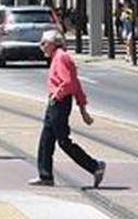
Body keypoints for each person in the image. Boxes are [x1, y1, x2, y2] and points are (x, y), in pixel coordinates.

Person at [29, 30, 106, 188]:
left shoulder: (61, 58)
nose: (41, 46)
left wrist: (57, 96)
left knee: (63, 141)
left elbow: (69, 83)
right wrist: (83, 109)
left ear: (53, 44)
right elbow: (76, 85)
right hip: (57, 102)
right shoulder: (59, 57)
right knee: (46, 140)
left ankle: (95, 166)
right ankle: (45, 176)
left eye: (44, 43)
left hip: (60, 102)